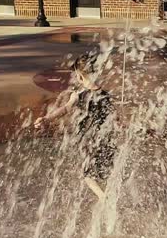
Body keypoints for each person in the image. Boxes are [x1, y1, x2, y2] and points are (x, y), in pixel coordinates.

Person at [40, 52, 116, 202]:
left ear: (80, 76)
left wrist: (47, 118)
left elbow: (66, 109)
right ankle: (110, 194)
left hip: (90, 140)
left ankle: (103, 197)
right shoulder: (105, 94)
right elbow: (114, 117)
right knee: (105, 171)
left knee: (87, 175)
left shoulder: (79, 95)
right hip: (107, 139)